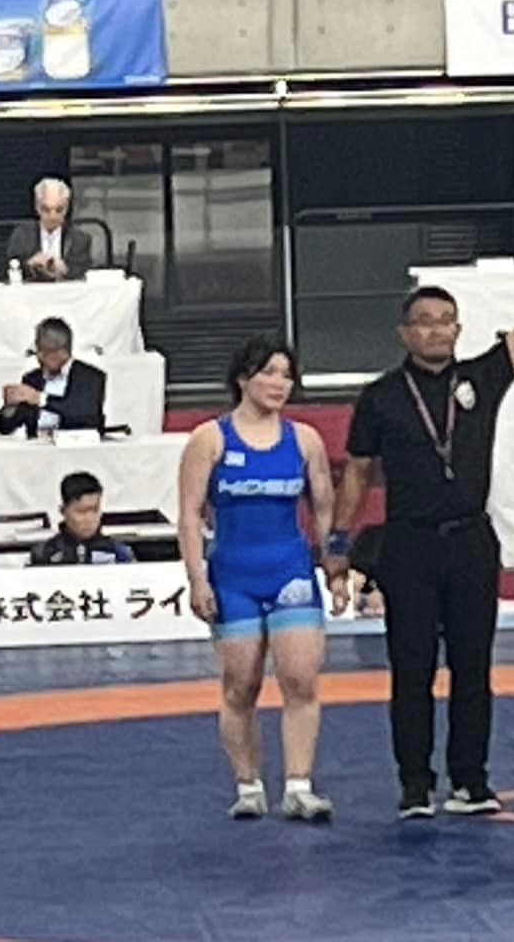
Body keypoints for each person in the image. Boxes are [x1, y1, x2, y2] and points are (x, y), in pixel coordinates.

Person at [325, 236, 514, 818]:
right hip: (408, 545)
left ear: (459, 329)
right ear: (404, 333)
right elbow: (356, 475)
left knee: (473, 669)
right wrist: (337, 544)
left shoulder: (483, 376)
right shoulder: (381, 397)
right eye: (425, 322)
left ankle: (470, 781)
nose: (437, 331)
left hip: (471, 541)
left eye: (446, 321)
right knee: (411, 669)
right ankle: (414, 783)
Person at [179, 335, 334, 820]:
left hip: (290, 572)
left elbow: (324, 508)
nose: (279, 384)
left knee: (300, 679)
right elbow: (188, 515)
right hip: (233, 576)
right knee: (240, 684)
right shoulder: (210, 439)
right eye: (269, 373)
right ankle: (248, 786)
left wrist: (333, 563)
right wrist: (197, 579)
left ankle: (299, 785)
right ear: (243, 378)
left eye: (287, 375)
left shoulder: (305, 440)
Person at [0, 317, 107, 436]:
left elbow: (85, 414)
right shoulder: (32, 379)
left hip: (77, 444)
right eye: (37, 351)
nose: (39, 357)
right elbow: (4, 428)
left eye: (44, 352)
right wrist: (10, 408)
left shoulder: (90, 377)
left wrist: (40, 399)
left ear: (62, 352)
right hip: (36, 445)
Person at [31, 471, 136, 565]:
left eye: (95, 510)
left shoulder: (118, 552)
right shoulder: (44, 554)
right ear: (63, 511)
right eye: (81, 512)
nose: (89, 519)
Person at [6, 176, 94, 280]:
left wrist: (65, 270)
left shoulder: (79, 239)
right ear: (37, 207)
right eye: (46, 209)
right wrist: (30, 264)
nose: (53, 216)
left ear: (67, 208)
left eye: (59, 210)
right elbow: (8, 271)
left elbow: (83, 273)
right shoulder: (21, 236)